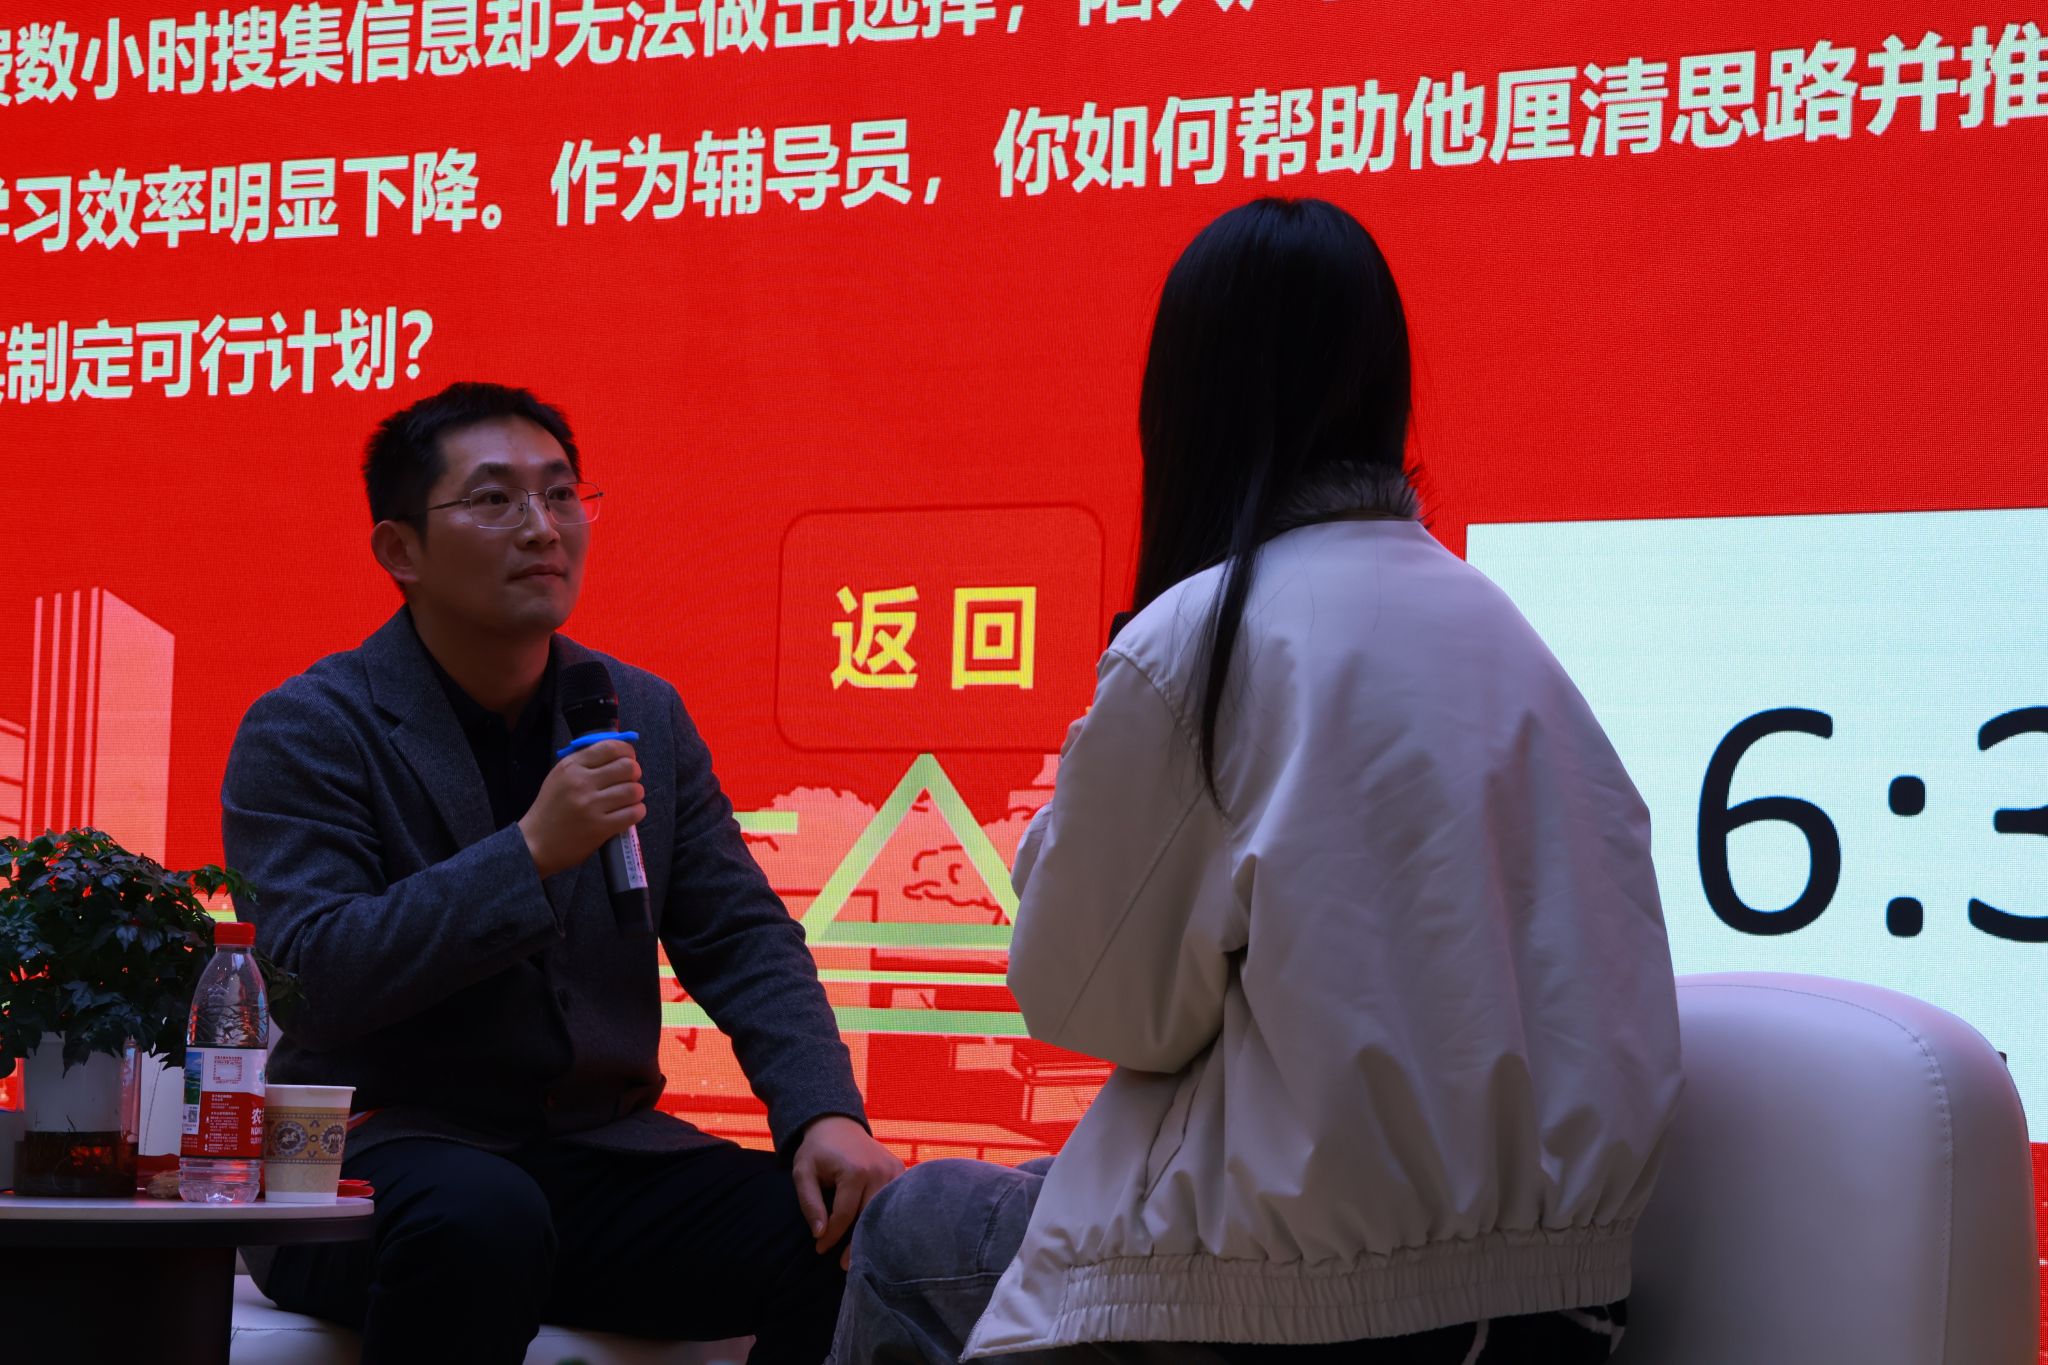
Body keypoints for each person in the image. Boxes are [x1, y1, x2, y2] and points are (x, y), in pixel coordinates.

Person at [830, 198, 1684, 1365]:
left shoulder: (1205, 638)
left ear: (1185, 401)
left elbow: (1089, 1003)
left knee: (907, 1230)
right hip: (1553, 1313)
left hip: (1296, 1313)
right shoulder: (1502, 633)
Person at [222, 381, 902, 1365]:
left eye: (560, 494)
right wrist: (529, 853)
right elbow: (312, 976)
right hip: (369, 1156)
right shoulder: (310, 726)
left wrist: (823, 1114)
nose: (542, 527)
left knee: (850, 1237)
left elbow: (743, 938)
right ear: (399, 549)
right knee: (480, 1219)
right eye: (494, 499)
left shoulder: (638, 711)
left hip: (595, 1156)